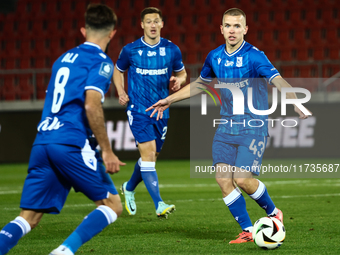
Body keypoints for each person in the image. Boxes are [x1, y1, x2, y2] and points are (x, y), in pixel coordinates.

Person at [147, 8, 312, 243]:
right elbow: (200, 85)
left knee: (243, 179)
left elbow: (277, 79)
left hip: (253, 126)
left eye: (237, 26)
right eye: (228, 26)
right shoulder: (214, 56)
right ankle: (249, 230)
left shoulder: (255, 56)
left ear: (245, 29)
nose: (232, 30)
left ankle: (274, 213)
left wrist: (295, 102)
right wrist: (169, 99)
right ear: (221, 29)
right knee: (223, 179)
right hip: (226, 126)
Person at [0, 4, 125, 255]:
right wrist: (108, 150)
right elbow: (91, 106)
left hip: (43, 141)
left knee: (29, 218)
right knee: (112, 205)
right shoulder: (101, 62)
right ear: (112, 34)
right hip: (71, 142)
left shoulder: (61, 59)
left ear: (83, 30)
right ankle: (64, 251)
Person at [113, 7, 187, 218]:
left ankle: (128, 187)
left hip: (161, 110)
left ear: (162, 24)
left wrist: (177, 82)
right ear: (142, 25)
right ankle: (159, 204)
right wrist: (121, 91)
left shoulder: (172, 50)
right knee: (148, 154)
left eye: (156, 21)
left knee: (152, 156)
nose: (153, 25)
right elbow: (118, 70)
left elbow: (182, 74)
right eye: (148, 21)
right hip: (138, 110)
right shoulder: (131, 50)